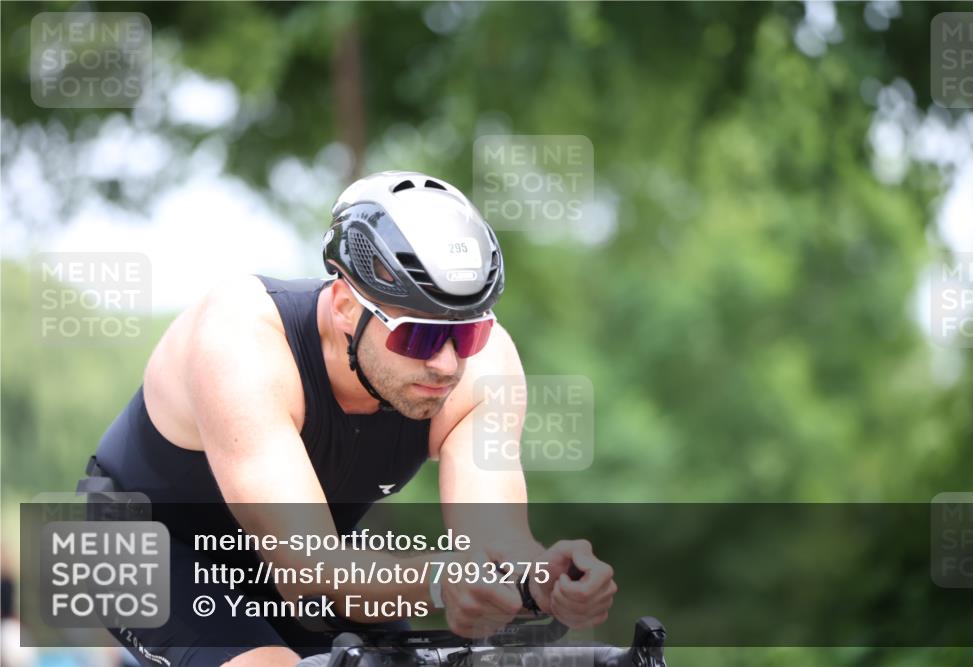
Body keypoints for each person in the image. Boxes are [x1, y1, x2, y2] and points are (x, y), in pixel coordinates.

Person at [82, 171, 617, 667]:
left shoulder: (482, 366)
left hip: (311, 558)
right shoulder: (242, 339)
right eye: (418, 335)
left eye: (467, 332)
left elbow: (493, 538)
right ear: (344, 306)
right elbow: (307, 568)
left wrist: (540, 579)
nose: (446, 363)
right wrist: (439, 581)